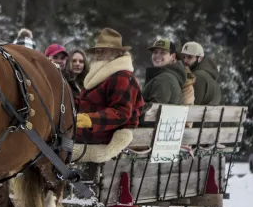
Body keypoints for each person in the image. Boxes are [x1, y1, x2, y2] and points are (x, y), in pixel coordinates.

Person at [74, 28, 145, 160]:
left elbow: (121, 112)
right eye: (97, 50)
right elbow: (86, 102)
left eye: (104, 49)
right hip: (83, 134)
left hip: (100, 137)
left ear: (117, 53)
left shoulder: (121, 75)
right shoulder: (99, 74)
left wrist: (90, 120)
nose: (99, 53)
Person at [140, 38, 188, 111]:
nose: (157, 55)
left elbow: (153, 111)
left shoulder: (164, 79)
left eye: (163, 53)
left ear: (172, 57)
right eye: (155, 52)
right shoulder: (167, 75)